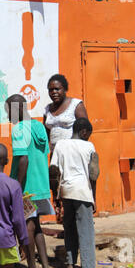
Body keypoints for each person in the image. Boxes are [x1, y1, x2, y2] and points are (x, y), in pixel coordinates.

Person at [5, 94, 52, 268]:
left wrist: (17, 185)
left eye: (9, 111)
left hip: (26, 187)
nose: (8, 116)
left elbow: (23, 159)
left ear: (17, 110)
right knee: (37, 225)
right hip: (41, 185)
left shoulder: (19, 129)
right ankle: (46, 267)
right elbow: (42, 154)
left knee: (27, 227)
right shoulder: (39, 126)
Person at [50, 117, 100, 268]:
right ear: (84, 132)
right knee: (86, 232)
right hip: (83, 193)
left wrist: (55, 195)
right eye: (89, 134)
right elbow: (93, 174)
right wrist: (94, 199)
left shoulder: (60, 145)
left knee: (70, 229)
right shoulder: (89, 146)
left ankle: (70, 265)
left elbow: (53, 171)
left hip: (66, 192)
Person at [43, 74, 89, 223]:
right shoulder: (47, 109)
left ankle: (80, 220)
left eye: (57, 89)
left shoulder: (76, 105)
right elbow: (47, 133)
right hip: (56, 155)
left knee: (73, 187)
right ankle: (64, 220)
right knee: (57, 186)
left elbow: (85, 129)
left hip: (73, 155)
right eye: (51, 90)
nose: (54, 92)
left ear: (65, 89)